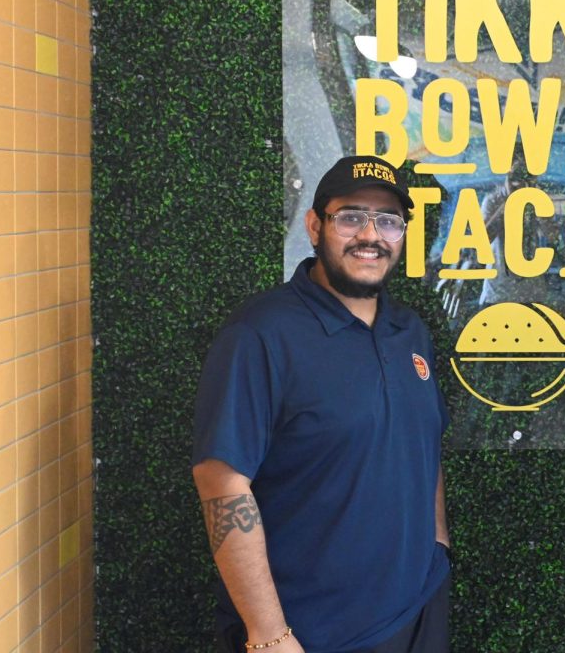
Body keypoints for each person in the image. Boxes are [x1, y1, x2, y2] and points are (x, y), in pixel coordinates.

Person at [192, 155, 451, 653]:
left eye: (388, 221)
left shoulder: (410, 331)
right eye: (351, 217)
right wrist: (269, 635)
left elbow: (424, 443)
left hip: (416, 612)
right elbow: (220, 481)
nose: (370, 235)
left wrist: (436, 546)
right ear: (315, 226)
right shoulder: (261, 334)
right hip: (312, 634)